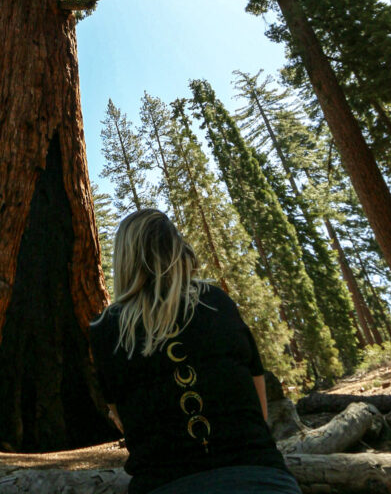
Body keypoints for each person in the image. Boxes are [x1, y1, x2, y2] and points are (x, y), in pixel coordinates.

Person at [89, 208, 302, 494]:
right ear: (177, 248)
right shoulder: (217, 302)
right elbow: (258, 408)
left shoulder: (107, 329)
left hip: (165, 484)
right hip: (261, 477)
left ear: (125, 259)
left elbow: (128, 423)